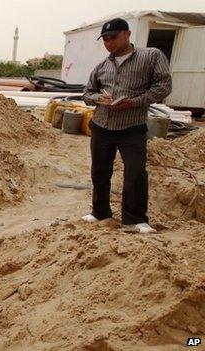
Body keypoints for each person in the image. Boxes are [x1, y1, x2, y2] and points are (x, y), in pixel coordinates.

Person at [82, 18, 171, 233]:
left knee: (135, 172)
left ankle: (134, 219)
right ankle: (100, 212)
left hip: (132, 126)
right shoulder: (102, 66)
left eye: (112, 37)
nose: (108, 42)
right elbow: (87, 93)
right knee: (100, 172)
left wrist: (135, 102)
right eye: (104, 39)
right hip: (103, 125)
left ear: (127, 34)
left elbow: (164, 86)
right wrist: (97, 99)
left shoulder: (151, 57)